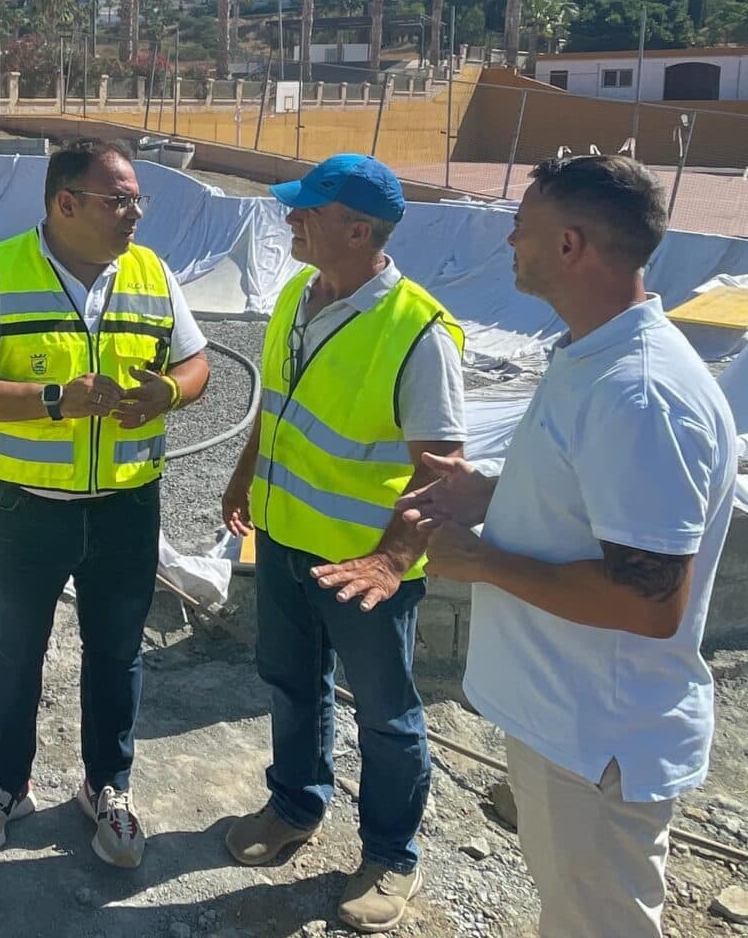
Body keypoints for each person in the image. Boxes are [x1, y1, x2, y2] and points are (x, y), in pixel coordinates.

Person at [403, 154, 739, 938]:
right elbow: (589, 509)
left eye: (524, 226)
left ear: (570, 246)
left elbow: (649, 601)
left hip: (598, 740)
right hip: (568, 725)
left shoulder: (640, 394)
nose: (509, 240)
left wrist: (479, 560)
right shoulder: (594, 360)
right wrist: (484, 495)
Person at [0, 137, 214, 869]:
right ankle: (6, 783)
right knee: (14, 651)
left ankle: (107, 787)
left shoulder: (151, 272)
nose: (134, 214)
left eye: (135, 200)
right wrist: (56, 400)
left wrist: (171, 391)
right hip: (26, 506)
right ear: (66, 203)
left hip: (127, 503)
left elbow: (197, 363)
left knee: (118, 653)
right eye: (119, 200)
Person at [217, 154, 465, 932]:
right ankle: (295, 808)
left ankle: (391, 856)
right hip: (287, 542)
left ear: (359, 231)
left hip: (366, 571)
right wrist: (243, 477)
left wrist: (391, 560)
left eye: (308, 211)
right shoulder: (298, 292)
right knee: (292, 684)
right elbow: (278, 406)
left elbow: (442, 472)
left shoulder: (418, 332)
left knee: (388, 716)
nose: (291, 219)